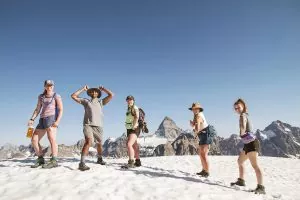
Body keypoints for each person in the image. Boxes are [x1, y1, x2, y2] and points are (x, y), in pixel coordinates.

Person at [71, 85, 114, 171]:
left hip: (99, 126)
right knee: (88, 141)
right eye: (92, 91)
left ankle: (99, 159)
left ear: (98, 94)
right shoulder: (86, 101)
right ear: (90, 93)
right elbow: (73, 96)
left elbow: (111, 95)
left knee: (99, 143)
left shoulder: (101, 102)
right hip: (88, 125)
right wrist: (83, 89)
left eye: (96, 91)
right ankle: (82, 163)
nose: (94, 92)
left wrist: (104, 89)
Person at [231, 99, 265, 194]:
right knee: (240, 161)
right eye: (235, 108)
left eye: (238, 107)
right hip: (248, 143)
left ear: (243, 106)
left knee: (255, 165)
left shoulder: (243, 115)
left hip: (252, 143)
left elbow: (243, 125)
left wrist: (242, 132)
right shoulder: (245, 115)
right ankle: (241, 181)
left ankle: (261, 187)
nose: (237, 109)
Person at [28, 80, 63, 169]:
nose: (49, 87)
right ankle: (40, 159)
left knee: (51, 139)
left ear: (53, 86)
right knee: (34, 140)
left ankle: (54, 160)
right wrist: (32, 119)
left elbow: (61, 109)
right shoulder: (41, 96)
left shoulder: (56, 96)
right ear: (45, 86)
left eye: (51, 85)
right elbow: (37, 109)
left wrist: (57, 121)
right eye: (47, 85)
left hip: (51, 118)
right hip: (42, 119)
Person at [189, 102, 212, 178]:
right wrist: (193, 125)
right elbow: (197, 127)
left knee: (204, 154)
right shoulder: (196, 115)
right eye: (193, 109)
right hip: (203, 134)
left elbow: (197, 128)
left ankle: (207, 172)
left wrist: (193, 126)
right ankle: (204, 170)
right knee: (201, 153)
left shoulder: (198, 116)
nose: (194, 110)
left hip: (205, 134)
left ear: (199, 109)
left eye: (195, 109)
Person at [123, 95, 142, 168]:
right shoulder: (129, 108)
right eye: (128, 100)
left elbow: (137, 116)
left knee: (129, 144)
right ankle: (138, 161)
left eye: (131, 100)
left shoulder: (134, 107)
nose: (129, 101)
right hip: (129, 128)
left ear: (133, 101)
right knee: (134, 145)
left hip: (134, 128)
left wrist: (134, 125)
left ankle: (131, 162)